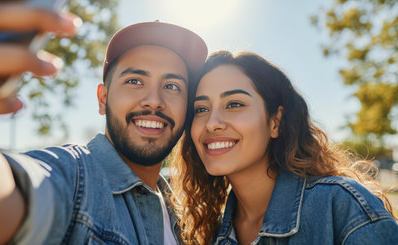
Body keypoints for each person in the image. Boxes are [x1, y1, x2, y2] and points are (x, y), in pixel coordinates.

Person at [0, 1, 208, 244]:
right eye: (134, 81)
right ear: (103, 99)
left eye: (172, 86)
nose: (154, 101)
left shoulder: (183, 214)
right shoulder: (75, 180)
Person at [170, 51, 398, 244]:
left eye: (235, 104)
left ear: (275, 122)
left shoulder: (341, 206)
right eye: (201, 109)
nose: (212, 123)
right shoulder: (211, 233)